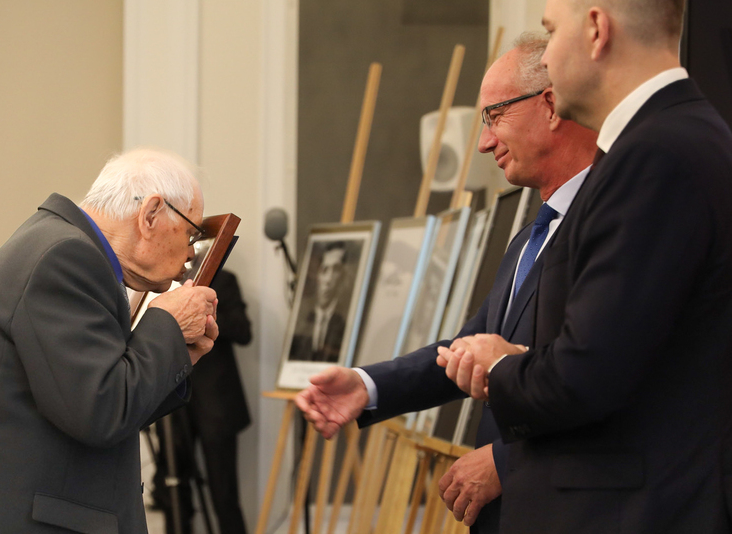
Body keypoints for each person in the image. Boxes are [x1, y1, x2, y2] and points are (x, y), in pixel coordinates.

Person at [437, 0, 732, 531]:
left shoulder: (654, 155)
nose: (546, 57)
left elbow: (588, 374)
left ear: (596, 29)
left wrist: (500, 365)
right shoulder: (671, 141)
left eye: (551, 32)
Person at [296, 34, 598, 533]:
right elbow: (465, 349)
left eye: (495, 115)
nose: (483, 142)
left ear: (548, 105)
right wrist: (366, 386)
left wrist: (506, 462)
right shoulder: (530, 235)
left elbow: (604, 377)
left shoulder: (610, 223)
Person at [0, 147, 219, 533]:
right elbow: (100, 410)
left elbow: (87, 402)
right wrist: (165, 323)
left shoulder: (61, 245)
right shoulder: (67, 257)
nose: (189, 254)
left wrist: (177, 352)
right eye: (190, 233)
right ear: (150, 214)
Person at [152, 269, 252, 534]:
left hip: (216, 405)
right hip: (171, 401)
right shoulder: (162, 282)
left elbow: (244, 332)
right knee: (174, 488)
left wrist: (204, 315)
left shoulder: (225, 280)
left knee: (224, 495)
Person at [289, 241, 349, 362]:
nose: (328, 279)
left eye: (335, 270)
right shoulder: (303, 319)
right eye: (324, 270)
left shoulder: (346, 319)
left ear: (342, 276)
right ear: (317, 275)